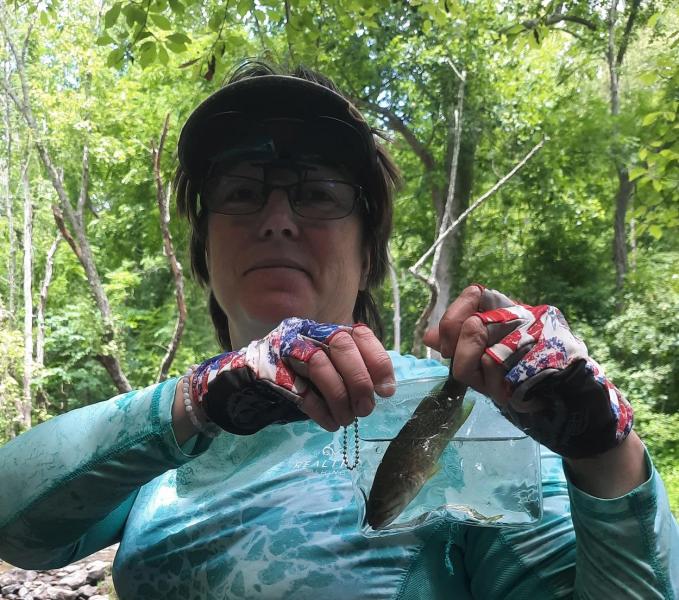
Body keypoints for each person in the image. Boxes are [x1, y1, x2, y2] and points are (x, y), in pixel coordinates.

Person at [0, 60, 677, 600]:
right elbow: (17, 530)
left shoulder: (459, 421)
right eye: (241, 190)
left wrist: (603, 451)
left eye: (316, 192)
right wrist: (195, 400)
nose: (276, 219)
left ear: (368, 252)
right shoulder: (170, 434)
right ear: (203, 250)